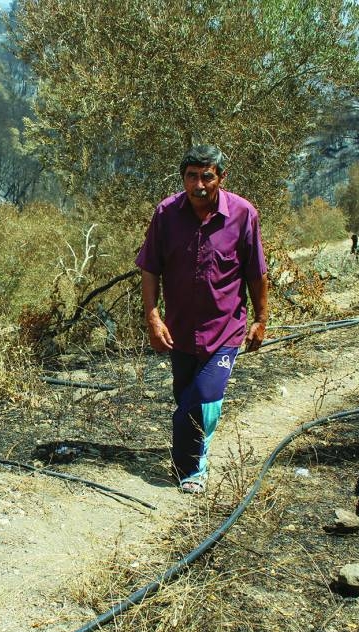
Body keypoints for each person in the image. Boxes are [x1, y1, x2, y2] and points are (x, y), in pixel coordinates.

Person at [135, 145, 269, 494]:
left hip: (225, 330)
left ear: (220, 178)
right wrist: (153, 316)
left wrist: (260, 318)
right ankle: (193, 455)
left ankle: (193, 470)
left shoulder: (243, 215)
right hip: (179, 331)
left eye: (207, 176)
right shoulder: (166, 214)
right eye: (192, 176)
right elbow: (150, 267)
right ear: (183, 178)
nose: (199, 185)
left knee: (201, 398)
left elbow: (257, 273)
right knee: (186, 397)